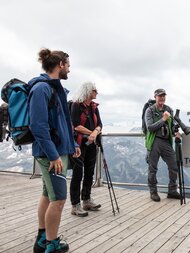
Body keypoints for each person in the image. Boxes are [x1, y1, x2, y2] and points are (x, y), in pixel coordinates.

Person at [29, 48, 80, 253]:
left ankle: (42, 239)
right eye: (68, 64)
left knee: (47, 194)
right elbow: (38, 126)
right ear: (60, 65)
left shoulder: (55, 89)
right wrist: (53, 155)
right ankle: (51, 244)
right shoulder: (42, 89)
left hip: (59, 150)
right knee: (58, 200)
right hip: (52, 154)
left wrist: (73, 144)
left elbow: (63, 123)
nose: (69, 68)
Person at [69, 82, 103, 217]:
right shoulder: (76, 105)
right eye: (95, 90)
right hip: (78, 144)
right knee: (77, 174)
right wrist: (93, 133)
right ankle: (75, 205)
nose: (97, 92)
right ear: (88, 91)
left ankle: (86, 200)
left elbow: (100, 124)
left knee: (89, 172)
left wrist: (94, 132)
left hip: (91, 144)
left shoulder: (94, 107)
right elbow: (75, 125)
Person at [144, 88, 181, 202]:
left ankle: (172, 190)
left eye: (164, 96)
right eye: (160, 96)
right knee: (152, 168)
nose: (162, 98)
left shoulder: (169, 109)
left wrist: (176, 132)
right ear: (155, 97)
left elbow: (173, 124)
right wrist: (163, 119)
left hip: (166, 141)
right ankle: (153, 192)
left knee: (174, 165)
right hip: (154, 140)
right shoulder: (150, 110)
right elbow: (150, 127)